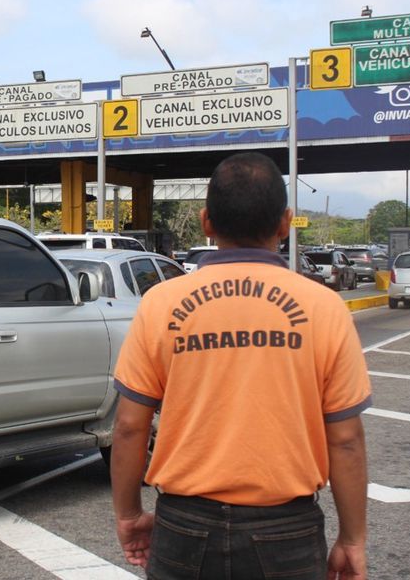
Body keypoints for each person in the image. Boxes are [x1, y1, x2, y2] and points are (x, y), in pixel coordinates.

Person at [111, 152, 371, 580]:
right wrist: (352, 539)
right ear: (285, 223)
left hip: (183, 527)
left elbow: (129, 426)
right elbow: (344, 439)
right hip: (287, 531)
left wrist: (128, 515)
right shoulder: (323, 306)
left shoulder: (161, 302)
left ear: (206, 221)